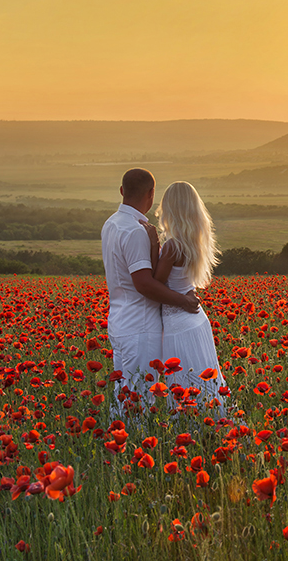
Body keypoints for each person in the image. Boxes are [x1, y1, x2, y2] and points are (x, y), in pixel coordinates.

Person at [101, 168, 199, 417]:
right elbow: (144, 284)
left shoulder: (111, 224)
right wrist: (184, 301)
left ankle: (118, 443)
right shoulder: (135, 231)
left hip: (119, 320)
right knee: (140, 397)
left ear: (122, 191)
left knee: (123, 394)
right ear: (151, 194)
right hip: (141, 326)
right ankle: (134, 448)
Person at [144, 180, 227, 418]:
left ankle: (190, 433)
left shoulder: (172, 246)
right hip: (197, 321)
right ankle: (214, 429)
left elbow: (155, 284)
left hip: (177, 325)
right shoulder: (196, 241)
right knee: (205, 382)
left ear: (170, 209)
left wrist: (152, 245)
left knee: (182, 386)